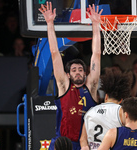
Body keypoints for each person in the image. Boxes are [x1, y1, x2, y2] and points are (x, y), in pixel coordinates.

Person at [39, 2, 102, 150]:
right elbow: (54, 53)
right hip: (62, 143)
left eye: (80, 69)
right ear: (68, 74)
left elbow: (96, 55)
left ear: (85, 73)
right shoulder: (64, 85)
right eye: (74, 70)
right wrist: (49, 23)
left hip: (84, 144)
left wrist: (95, 24)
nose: (78, 72)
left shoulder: (91, 87)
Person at [80, 67, 132, 150]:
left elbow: (83, 139)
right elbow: (132, 135)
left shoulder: (90, 111)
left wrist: (84, 147)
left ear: (106, 96)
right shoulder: (122, 111)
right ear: (121, 100)